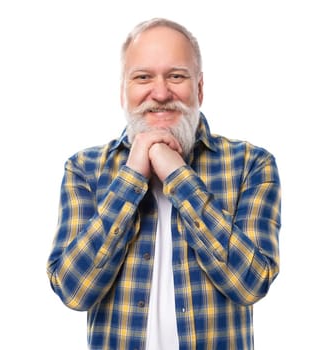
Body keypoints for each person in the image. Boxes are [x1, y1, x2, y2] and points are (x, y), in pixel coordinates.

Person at [46, 18, 282, 349]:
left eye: (176, 76)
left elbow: (251, 283)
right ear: (123, 92)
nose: (160, 93)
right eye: (143, 77)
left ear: (199, 88)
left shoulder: (250, 165)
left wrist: (177, 175)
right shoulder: (84, 170)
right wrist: (131, 179)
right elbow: (73, 290)